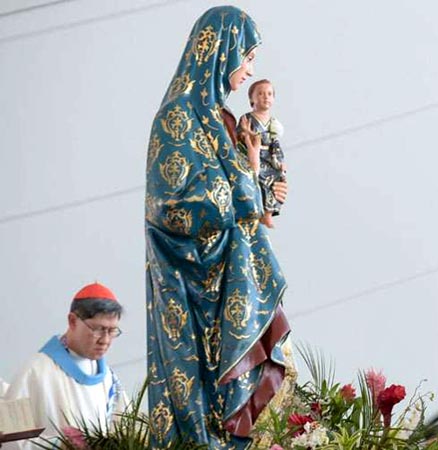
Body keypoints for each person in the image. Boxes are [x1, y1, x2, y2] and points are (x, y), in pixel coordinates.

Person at [145, 6, 291, 448]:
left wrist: (263, 190)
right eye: (245, 58)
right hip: (192, 288)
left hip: (229, 278)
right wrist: (245, 188)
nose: (249, 71)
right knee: (201, 411)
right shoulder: (177, 119)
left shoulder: (220, 119)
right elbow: (171, 205)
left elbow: (243, 188)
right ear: (219, 52)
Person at [3, 282, 127, 450]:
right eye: (98, 329)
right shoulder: (33, 372)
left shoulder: (110, 380)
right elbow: (10, 442)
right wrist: (60, 443)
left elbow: (126, 432)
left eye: (112, 331)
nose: (105, 340)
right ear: (73, 321)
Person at [238, 79, 286, 228]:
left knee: (277, 179)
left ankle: (268, 213)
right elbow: (242, 134)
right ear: (252, 99)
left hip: (270, 156)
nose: (265, 97)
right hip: (252, 154)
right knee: (258, 180)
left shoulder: (274, 123)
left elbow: (275, 143)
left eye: (269, 94)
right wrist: (250, 135)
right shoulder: (247, 119)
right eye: (260, 94)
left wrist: (279, 162)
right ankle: (254, 209)